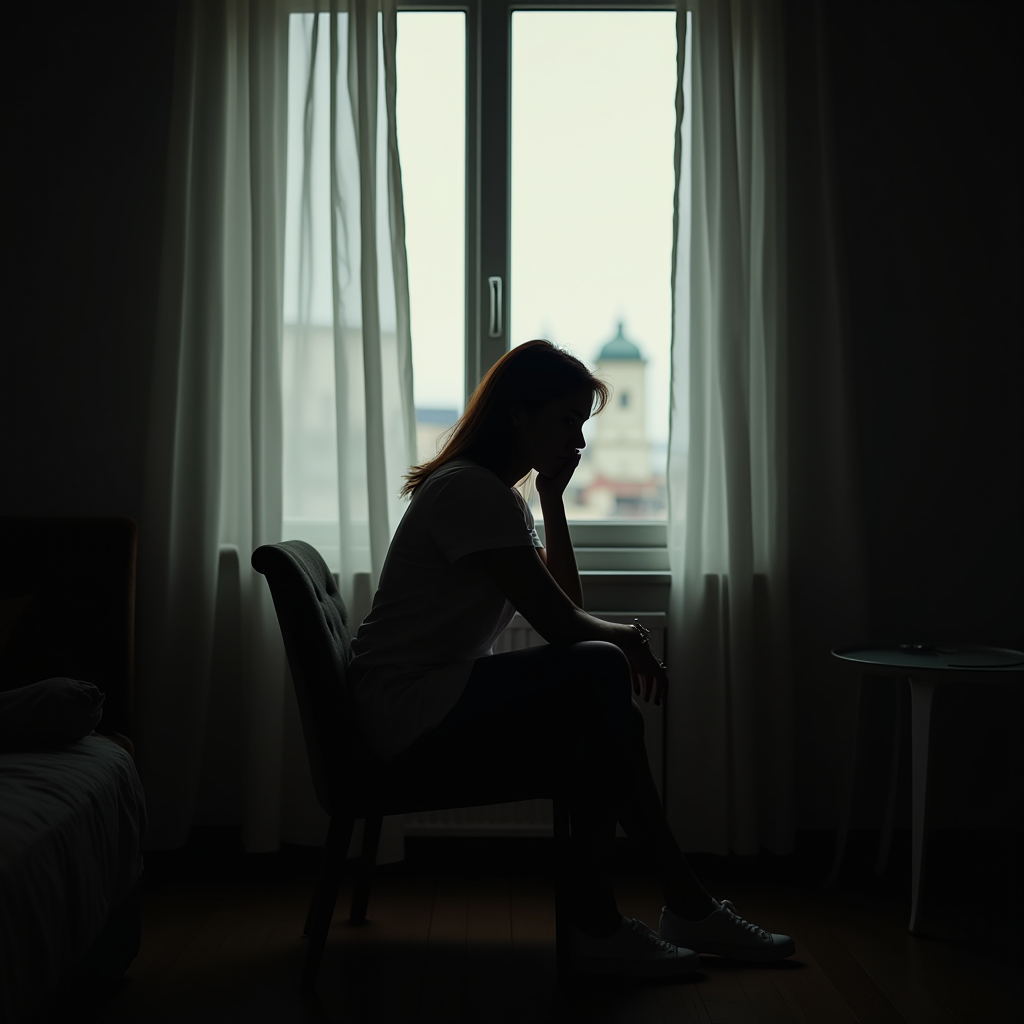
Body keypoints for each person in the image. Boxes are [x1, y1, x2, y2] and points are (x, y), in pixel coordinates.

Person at [348, 339, 794, 977]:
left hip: (426, 697)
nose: (578, 442)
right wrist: (631, 638)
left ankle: (629, 915)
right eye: (566, 421)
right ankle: (651, 912)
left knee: (607, 714)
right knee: (601, 678)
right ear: (516, 415)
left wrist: (553, 501)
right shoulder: (469, 492)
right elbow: (566, 629)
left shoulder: (499, 496)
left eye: (581, 425)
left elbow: (568, 612)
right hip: (403, 708)